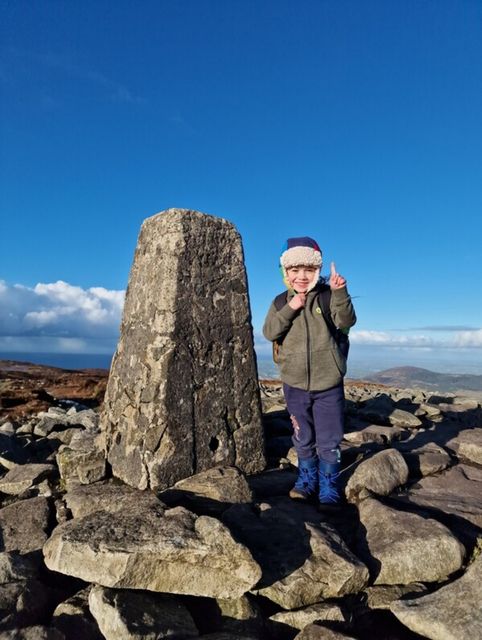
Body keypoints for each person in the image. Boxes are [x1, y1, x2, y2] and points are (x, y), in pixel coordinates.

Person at [262, 236, 356, 505]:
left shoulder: (327, 296)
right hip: (295, 383)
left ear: (318, 270)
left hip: (329, 383)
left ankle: (329, 484)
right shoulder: (281, 302)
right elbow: (270, 332)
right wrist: (291, 309)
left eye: (309, 270)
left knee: (330, 438)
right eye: (295, 270)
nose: (302, 276)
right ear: (285, 272)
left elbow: (347, 320)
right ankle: (306, 479)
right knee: (302, 436)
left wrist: (339, 292)